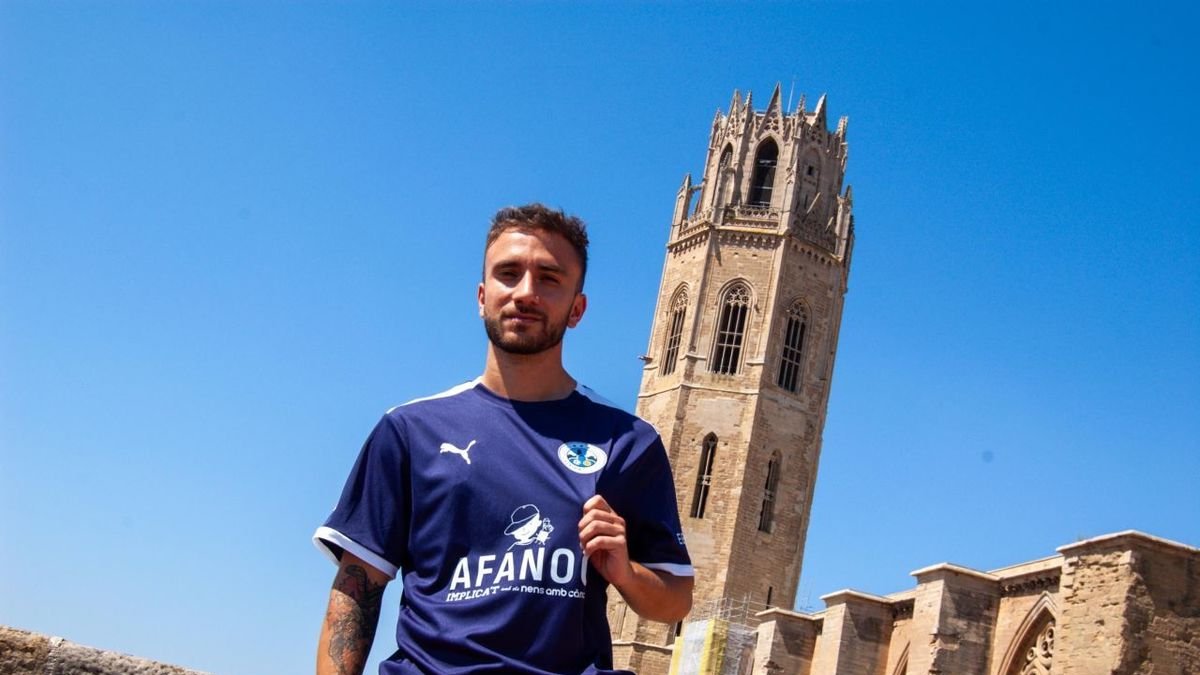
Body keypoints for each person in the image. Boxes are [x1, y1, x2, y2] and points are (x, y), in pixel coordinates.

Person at [313, 204, 694, 675]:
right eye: (508, 274)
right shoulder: (409, 430)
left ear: (577, 309)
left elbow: (674, 601)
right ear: (482, 295)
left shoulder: (628, 441)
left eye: (549, 278)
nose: (526, 292)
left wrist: (624, 570)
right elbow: (357, 590)